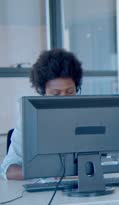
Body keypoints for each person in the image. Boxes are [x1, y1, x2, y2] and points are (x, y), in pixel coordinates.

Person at [1, 49, 83, 180]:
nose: (63, 99)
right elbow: (7, 170)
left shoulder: (88, 116)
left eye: (70, 92)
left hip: (84, 191)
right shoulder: (29, 120)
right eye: (56, 94)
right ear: (43, 92)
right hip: (43, 194)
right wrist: (52, 172)